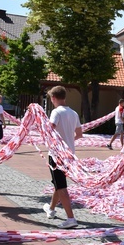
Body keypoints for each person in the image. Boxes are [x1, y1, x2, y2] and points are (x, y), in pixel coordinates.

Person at [42, 86, 83, 228]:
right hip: (69, 154)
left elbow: (50, 128)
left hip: (56, 155)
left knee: (61, 186)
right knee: (58, 183)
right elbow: (79, 134)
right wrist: (67, 141)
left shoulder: (56, 112)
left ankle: (71, 218)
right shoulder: (73, 113)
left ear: (53, 98)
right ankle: (51, 209)